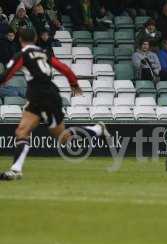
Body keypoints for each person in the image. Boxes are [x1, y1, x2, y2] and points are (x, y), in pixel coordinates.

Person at [0, 28, 110, 180]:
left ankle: (97, 129)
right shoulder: (44, 53)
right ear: (36, 37)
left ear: (20, 40)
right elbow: (64, 68)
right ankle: (16, 169)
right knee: (22, 131)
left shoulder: (22, 55)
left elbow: (7, 74)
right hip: (44, 96)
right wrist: (73, 83)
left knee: (62, 138)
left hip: (44, 97)